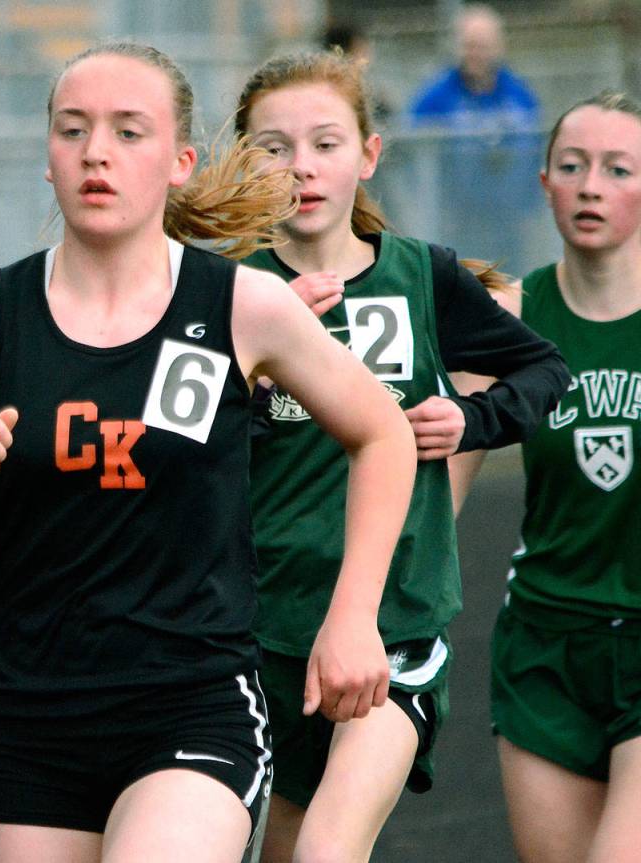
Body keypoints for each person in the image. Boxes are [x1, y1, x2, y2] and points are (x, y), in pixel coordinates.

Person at [0, 41, 419, 863]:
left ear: (181, 162)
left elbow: (383, 432)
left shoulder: (242, 305)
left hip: (192, 708)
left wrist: (355, 615)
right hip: (32, 720)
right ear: (48, 156)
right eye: (73, 130)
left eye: (128, 131)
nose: (97, 153)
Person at [232, 49, 570, 863]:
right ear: (244, 162)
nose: (302, 167)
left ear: (369, 154)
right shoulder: (233, 294)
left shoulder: (421, 276)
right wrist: (252, 364)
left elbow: (544, 371)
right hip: (264, 630)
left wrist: (472, 418)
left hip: (395, 628)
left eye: (326, 143)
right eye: (275, 148)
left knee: (328, 849)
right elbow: (181, 451)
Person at [449, 91, 641, 863]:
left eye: (618, 169)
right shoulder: (509, 317)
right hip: (545, 650)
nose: (591, 186)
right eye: (572, 166)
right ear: (544, 182)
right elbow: (436, 490)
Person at [406, 3, 542, 273]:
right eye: (469, 45)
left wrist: (529, 205)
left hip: (508, 220)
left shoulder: (518, 94)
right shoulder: (437, 95)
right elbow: (411, 146)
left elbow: (535, 150)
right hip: (455, 219)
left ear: (498, 47)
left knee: (509, 278)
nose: (475, 54)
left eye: (483, 46)